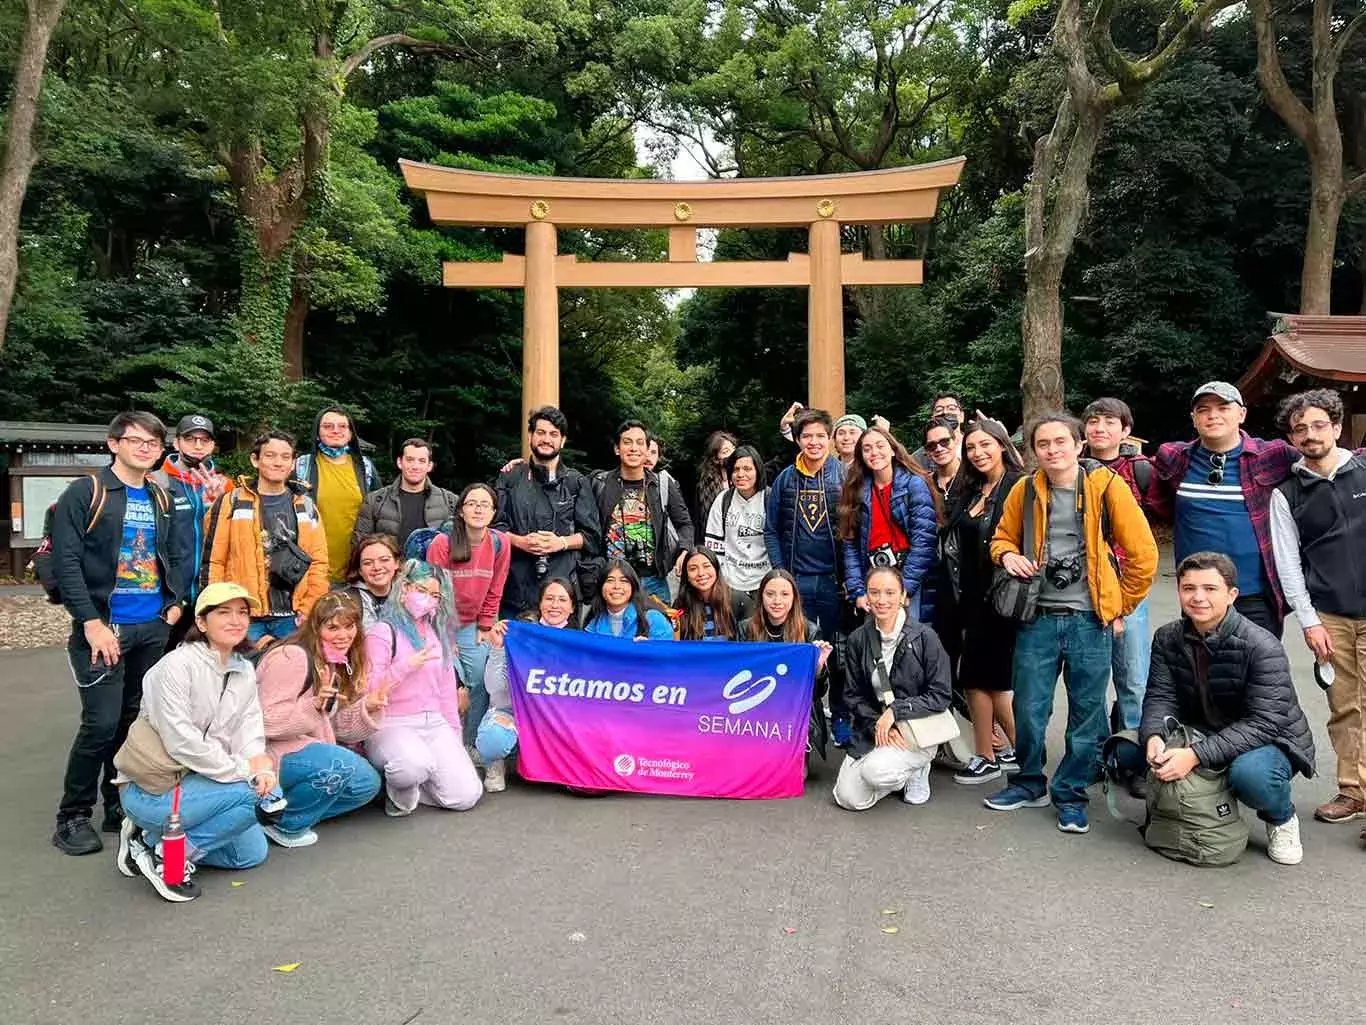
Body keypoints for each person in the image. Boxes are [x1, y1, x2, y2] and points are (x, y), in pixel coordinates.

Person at [984, 412, 1158, 835]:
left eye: (1061, 441)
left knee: (1086, 713)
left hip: (1088, 620)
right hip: (1037, 618)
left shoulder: (1105, 487)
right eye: (1043, 444)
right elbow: (1000, 538)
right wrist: (1006, 555)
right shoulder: (1024, 491)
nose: (1052, 450)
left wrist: (1118, 606)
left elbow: (1143, 554)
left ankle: (1071, 793)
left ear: (1079, 446)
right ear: (1034, 451)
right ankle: (1028, 781)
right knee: (1028, 709)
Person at [52, 411, 184, 856]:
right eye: (136, 440)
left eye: (154, 443)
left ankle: (117, 805)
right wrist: (90, 623)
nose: (145, 448)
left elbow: (174, 554)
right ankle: (71, 816)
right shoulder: (86, 492)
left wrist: (174, 605)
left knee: (132, 722)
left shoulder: (160, 497)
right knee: (100, 723)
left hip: (151, 626)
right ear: (114, 443)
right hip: (103, 627)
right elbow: (67, 562)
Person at [1137, 552, 1315, 865]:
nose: (1198, 597)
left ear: (1232, 595)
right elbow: (1160, 695)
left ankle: (1281, 818)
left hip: (1269, 740)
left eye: (1210, 588)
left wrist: (1194, 756)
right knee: (1129, 751)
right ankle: (1205, 798)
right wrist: (1153, 736)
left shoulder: (1261, 645)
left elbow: (1263, 723)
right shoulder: (1167, 638)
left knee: (1251, 776)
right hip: (1205, 729)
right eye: (1189, 588)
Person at [113, 583, 275, 902]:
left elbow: (249, 727)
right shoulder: (174, 668)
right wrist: (245, 772)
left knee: (250, 854)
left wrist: (258, 761)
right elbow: (181, 742)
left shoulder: (242, 669)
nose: (235, 620)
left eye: (242, 612)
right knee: (257, 795)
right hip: (153, 787)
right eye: (223, 612)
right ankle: (165, 855)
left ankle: (146, 841)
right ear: (201, 622)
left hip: (205, 783)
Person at [1269, 389, 1366, 825]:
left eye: (1318, 425)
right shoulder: (1287, 493)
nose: (1310, 434)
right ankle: (1354, 791)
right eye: (1300, 428)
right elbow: (1288, 563)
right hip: (1331, 613)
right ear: (1291, 437)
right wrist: (1308, 621)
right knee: (1345, 705)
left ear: (1337, 427)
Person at [1148, 382, 1298, 638]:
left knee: (1259, 672)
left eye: (1223, 407)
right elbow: (1145, 489)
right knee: (1202, 671)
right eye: (1203, 409)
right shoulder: (1175, 458)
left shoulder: (1274, 455)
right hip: (1199, 594)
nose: (1213, 415)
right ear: (1194, 419)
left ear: (1241, 414)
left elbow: (1322, 465)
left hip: (1256, 594)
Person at [254, 592, 384, 847]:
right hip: (270, 754)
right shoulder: (290, 657)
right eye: (332, 627)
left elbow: (332, 726)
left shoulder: (333, 661)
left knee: (366, 784)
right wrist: (313, 705)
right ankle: (284, 824)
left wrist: (366, 707)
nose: (343, 635)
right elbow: (266, 722)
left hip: (308, 749)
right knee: (340, 764)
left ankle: (271, 813)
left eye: (349, 626)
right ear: (316, 627)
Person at [940, 416, 1025, 784]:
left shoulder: (1020, 488)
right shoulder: (972, 492)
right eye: (971, 447)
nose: (977, 453)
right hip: (970, 597)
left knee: (992, 679)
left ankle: (1019, 753)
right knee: (977, 677)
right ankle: (994, 754)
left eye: (985, 445)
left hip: (1004, 597)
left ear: (1002, 446)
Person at [363, 560, 480, 815]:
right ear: (404, 588)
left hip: (433, 722)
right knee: (411, 765)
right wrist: (405, 666)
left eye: (435, 595)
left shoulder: (438, 634)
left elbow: (447, 696)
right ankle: (398, 794)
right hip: (390, 722)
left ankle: (424, 777)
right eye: (422, 590)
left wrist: (455, 740)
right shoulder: (382, 632)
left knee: (465, 796)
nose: (428, 599)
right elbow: (369, 690)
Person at [832, 566, 953, 811]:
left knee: (875, 772)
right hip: (876, 725)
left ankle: (917, 769)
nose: (882, 600)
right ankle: (890, 769)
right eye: (874, 592)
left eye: (890, 592)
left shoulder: (925, 637)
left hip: (918, 728)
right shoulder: (858, 639)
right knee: (848, 798)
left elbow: (941, 695)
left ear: (903, 595)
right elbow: (852, 695)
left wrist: (896, 712)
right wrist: (879, 723)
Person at [205, 430, 330, 650]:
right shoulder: (231, 502)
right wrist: (219, 609)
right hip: (244, 614)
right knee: (240, 679)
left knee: (290, 678)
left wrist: (309, 608)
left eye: (285, 457)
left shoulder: (306, 506)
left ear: (293, 464)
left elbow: (319, 562)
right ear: (255, 459)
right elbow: (214, 560)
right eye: (270, 455)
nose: (277, 462)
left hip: (292, 617)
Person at [1082, 397, 1156, 740]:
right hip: (1082, 587)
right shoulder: (1073, 467)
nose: (1100, 428)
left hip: (1128, 587)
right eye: (1094, 421)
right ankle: (1094, 752)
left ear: (1126, 430)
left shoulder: (1140, 470)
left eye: (1110, 422)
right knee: (1088, 678)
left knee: (1132, 676)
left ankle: (1132, 751)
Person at [493, 405, 603, 617]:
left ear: (562, 440)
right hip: (515, 589)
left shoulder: (576, 482)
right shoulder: (510, 477)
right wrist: (520, 542)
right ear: (530, 436)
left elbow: (592, 537)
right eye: (541, 432)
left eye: (554, 434)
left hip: (562, 592)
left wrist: (560, 543)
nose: (546, 439)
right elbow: (494, 529)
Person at [426, 482, 511, 745]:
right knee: (449, 683)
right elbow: (432, 595)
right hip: (440, 624)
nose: (478, 509)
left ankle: (472, 741)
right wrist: (446, 638)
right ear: (461, 511)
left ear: (493, 512)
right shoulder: (443, 543)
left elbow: (496, 587)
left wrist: (486, 625)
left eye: (485, 504)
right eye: (472, 503)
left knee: (478, 683)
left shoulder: (500, 543)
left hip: (476, 624)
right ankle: (443, 742)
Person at [479, 577, 581, 793]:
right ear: (540, 603)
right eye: (549, 598)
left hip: (555, 716)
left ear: (572, 607)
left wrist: (638, 649)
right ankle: (495, 763)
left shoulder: (581, 642)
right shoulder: (517, 635)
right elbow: (495, 689)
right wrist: (497, 650)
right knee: (493, 739)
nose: (555, 605)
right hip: (512, 710)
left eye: (562, 600)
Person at [838, 424, 940, 622]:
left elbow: (924, 542)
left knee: (908, 640)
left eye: (880, 446)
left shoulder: (914, 484)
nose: (874, 452)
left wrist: (906, 588)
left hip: (907, 574)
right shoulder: (856, 489)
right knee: (876, 640)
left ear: (893, 449)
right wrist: (857, 589)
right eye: (867, 449)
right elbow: (849, 542)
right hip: (873, 575)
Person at [151, 413, 233, 647]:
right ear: (176, 443)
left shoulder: (224, 484)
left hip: (211, 593)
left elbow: (236, 538)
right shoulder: (157, 482)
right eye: (190, 439)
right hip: (169, 595)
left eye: (204, 440)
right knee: (163, 663)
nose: (198, 445)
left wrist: (221, 503)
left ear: (213, 445)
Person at [739, 569, 834, 770]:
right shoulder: (745, 628)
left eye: (784, 594)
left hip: (795, 714)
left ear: (794, 598)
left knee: (791, 774)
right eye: (770, 594)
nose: (777, 601)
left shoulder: (810, 630)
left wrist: (818, 668)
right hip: (756, 709)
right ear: (761, 597)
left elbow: (817, 694)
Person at [765, 408, 846, 641]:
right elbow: (771, 529)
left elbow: (855, 529)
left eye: (820, 436)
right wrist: (782, 572)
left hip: (833, 579)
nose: (814, 442)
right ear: (798, 440)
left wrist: (850, 576)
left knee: (834, 643)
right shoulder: (785, 479)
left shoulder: (845, 476)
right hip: (797, 577)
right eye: (807, 436)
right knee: (798, 640)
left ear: (830, 439)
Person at [591, 420, 692, 603]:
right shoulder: (600, 483)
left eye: (639, 443)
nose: (633, 448)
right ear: (617, 449)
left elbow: (684, 523)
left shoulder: (661, 485)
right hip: (613, 580)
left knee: (659, 629)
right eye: (627, 442)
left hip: (654, 580)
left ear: (647, 450)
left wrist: (684, 550)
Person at [294, 406, 382, 582]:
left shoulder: (365, 469)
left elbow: (380, 514)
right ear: (317, 433)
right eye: (328, 426)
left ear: (351, 434)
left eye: (342, 426)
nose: (336, 431)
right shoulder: (300, 467)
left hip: (357, 570)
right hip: (312, 569)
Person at [352, 438, 459, 552]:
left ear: (430, 466)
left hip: (434, 569)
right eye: (410, 460)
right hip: (389, 569)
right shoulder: (375, 501)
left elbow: (463, 543)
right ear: (400, 462)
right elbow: (359, 545)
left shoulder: (450, 501)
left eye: (421, 461)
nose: (415, 466)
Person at [703, 445, 771, 599]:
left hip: (764, 582)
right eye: (736, 469)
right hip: (730, 583)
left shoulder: (770, 498)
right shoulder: (723, 499)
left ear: (758, 470)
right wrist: (720, 580)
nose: (741, 474)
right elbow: (713, 544)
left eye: (747, 469)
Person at [675, 546, 753, 640]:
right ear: (686, 575)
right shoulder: (680, 605)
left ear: (716, 569)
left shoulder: (740, 601)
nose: (701, 573)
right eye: (693, 569)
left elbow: (752, 644)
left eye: (706, 566)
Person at [584, 561, 675, 640]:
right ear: (601, 587)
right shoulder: (593, 623)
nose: (617, 586)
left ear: (633, 587)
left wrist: (651, 649)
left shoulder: (654, 620)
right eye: (610, 580)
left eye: (623, 581)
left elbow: (667, 656)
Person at [340, 533, 401, 628]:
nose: (377, 567)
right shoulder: (345, 602)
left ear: (396, 563)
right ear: (359, 570)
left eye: (384, 560)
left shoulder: (407, 596)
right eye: (368, 563)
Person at [693, 430, 738, 543]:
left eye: (733, 448)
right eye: (726, 451)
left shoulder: (743, 477)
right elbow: (704, 520)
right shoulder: (707, 485)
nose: (733, 453)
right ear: (716, 458)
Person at [912, 393, 965, 469]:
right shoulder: (919, 458)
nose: (945, 412)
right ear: (933, 418)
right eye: (939, 410)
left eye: (951, 408)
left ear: (961, 416)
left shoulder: (976, 444)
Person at [923, 417, 963, 503]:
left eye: (944, 441)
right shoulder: (926, 486)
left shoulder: (974, 476)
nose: (939, 448)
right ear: (927, 451)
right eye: (931, 445)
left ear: (955, 441)